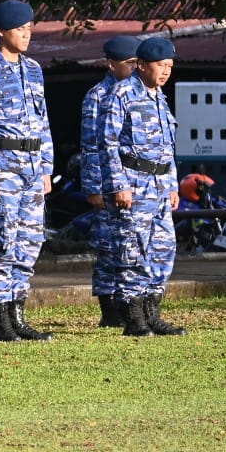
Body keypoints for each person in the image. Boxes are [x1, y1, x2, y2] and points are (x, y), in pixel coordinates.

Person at [0, 0, 55, 343]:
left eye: (29, 29)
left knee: (29, 244)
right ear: (0, 32)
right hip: (2, 168)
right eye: (20, 29)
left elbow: (43, 121)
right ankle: (0, 320)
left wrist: (46, 166)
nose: (26, 35)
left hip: (32, 169)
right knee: (3, 242)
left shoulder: (33, 69)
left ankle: (18, 316)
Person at [101, 35, 185, 336]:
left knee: (163, 250)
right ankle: (133, 317)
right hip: (134, 185)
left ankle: (153, 313)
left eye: (170, 66)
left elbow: (167, 147)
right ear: (141, 65)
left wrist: (173, 185)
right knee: (132, 250)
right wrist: (118, 185)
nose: (165, 71)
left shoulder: (159, 98)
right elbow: (107, 144)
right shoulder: (121, 95)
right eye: (160, 65)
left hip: (160, 186)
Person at [80, 35, 141, 329]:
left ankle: (128, 302)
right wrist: (93, 188)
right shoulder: (98, 96)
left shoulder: (140, 92)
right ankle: (109, 308)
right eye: (130, 63)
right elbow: (92, 146)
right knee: (107, 247)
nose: (135, 68)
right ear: (110, 64)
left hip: (134, 183)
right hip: (105, 184)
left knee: (130, 245)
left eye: (138, 63)